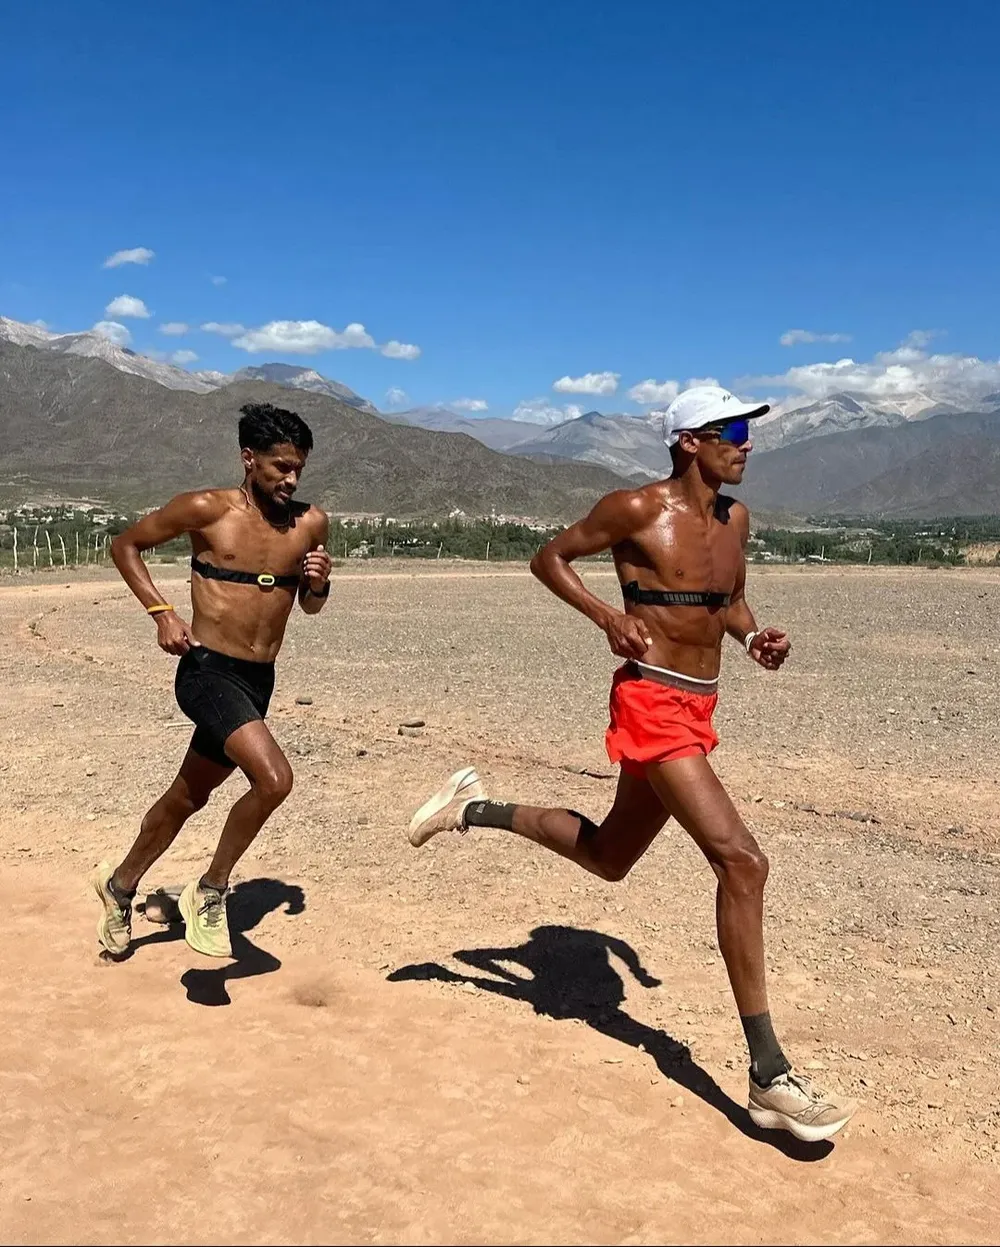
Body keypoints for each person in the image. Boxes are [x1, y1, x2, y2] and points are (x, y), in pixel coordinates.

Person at [407, 385, 857, 1144]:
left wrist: (755, 640)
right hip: (651, 703)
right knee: (743, 863)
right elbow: (549, 558)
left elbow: (729, 602)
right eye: (734, 430)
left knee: (610, 857)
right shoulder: (635, 509)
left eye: (748, 431)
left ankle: (470, 806)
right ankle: (769, 1074)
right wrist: (608, 616)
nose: (747, 443)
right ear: (688, 441)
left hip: (699, 704)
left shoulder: (735, 519)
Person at [91, 401, 331, 960]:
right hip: (206, 672)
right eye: (279, 467)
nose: (290, 479)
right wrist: (161, 612)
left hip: (257, 680)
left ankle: (120, 886)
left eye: (298, 468)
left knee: (188, 796)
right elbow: (125, 544)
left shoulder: (311, 523)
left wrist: (318, 585)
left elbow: (311, 608)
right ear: (249, 459)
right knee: (274, 780)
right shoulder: (206, 508)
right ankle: (212, 889)